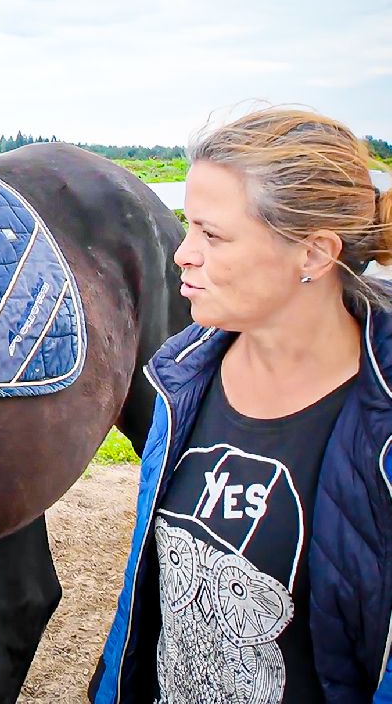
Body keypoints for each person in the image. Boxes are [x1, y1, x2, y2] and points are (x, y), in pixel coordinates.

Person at [92, 107, 392, 703]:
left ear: (313, 255)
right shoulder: (184, 375)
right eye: (188, 228)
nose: (182, 254)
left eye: (213, 234)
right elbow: (145, 596)